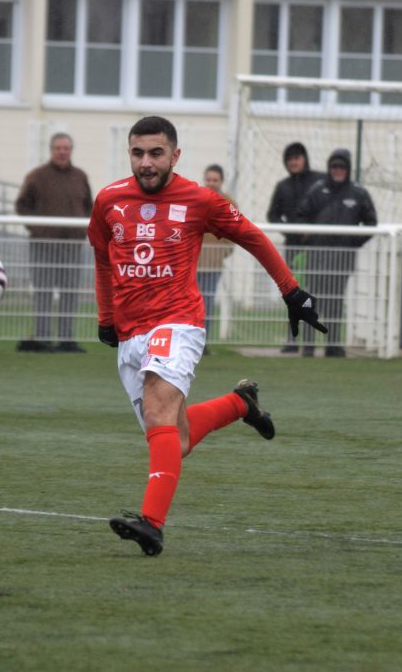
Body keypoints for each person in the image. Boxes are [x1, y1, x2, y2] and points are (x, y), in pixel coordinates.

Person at [88, 116, 327, 556]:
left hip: (178, 323)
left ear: (175, 155)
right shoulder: (108, 200)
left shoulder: (200, 200)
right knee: (173, 438)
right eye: (138, 153)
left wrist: (291, 292)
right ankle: (241, 404)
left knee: (158, 412)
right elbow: (103, 259)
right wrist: (107, 317)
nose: (146, 162)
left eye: (156, 153)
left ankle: (152, 525)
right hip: (131, 332)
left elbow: (252, 236)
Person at [295, 148, 377, 358]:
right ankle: (308, 346)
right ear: (329, 168)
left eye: (341, 166)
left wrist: (353, 242)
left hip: (343, 258)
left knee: (335, 301)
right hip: (317, 256)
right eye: (334, 166)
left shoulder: (358, 193)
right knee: (312, 300)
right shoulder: (317, 190)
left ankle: (333, 346)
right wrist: (309, 238)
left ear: (348, 169)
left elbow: (371, 223)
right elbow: (301, 215)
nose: (337, 170)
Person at [15, 132, 93, 353]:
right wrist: (37, 229)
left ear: (71, 150)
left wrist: (82, 229)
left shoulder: (80, 176)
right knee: (43, 292)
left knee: (70, 292)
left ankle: (67, 339)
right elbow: (22, 205)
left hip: (72, 246)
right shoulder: (37, 176)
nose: (62, 152)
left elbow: (89, 206)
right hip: (44, 246)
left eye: (66, 148)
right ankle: (43, 338)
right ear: (51, 150)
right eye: (58, 148)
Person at [267, 142, 325, 354]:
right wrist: (290, 231)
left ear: (304, 158)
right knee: (293, 293)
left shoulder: (319, 181)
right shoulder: (283, 186)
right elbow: (272, 215)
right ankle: (292, 340)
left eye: (297, 157)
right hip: (293, 247)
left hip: (318, 248)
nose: (293, 162)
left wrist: (314, 231)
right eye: (289, 159)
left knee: (316, 292)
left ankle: (311, 342)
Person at [197, 163, 235, 354]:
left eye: (215, 180)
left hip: (213, 265)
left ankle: (202, 343)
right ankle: (188, 341)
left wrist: (221, 252)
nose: (211, 183)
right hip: (191, 264)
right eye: (208, 179)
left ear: (221, 181)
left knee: (208, 304)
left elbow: (234, 232)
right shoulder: (195, 199)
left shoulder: (228, 203)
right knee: (188, 305)